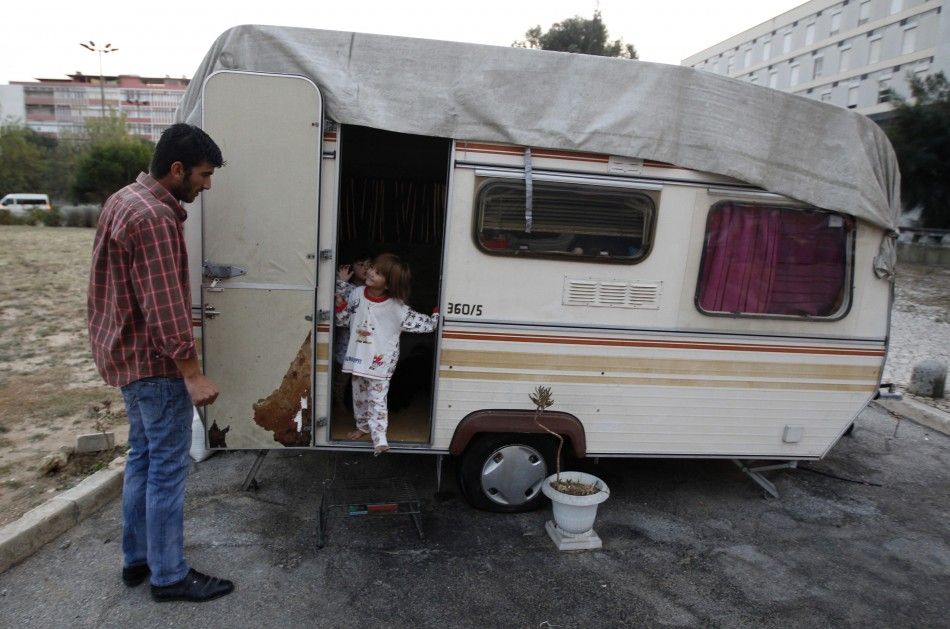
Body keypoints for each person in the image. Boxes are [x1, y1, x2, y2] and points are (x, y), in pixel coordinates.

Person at [87, 123, 234, 603]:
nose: (207, 185)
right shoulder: (153, 217)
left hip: (127, 357)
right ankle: (169, 576)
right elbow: (165, 305)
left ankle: (137, 560)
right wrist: (191, 373)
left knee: (143, 459)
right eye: (204, 175)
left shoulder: (124, 199)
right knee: (167, 467)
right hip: (154, 364)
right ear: (177, 170)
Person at [334, 253, 439, 454]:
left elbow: (427, 325)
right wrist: (340, 301)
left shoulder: (397, 308)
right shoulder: (356, 294)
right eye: (372, 268)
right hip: (358, 358)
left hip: (381, 363)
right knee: (359, 397)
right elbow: (344, 319)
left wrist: (437, 312)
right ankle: (363, 427)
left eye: (378, 272)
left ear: (389, 284)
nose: (371, 272)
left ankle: (380, 438)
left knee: (377, 399)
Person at [333, 251, 373, 407]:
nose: (365, 268)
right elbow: (342, 319)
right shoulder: (346, 287)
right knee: (341, 380)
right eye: (360, 264)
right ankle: (339, 408)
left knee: (363, 381)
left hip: (365, 343)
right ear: (351, 267)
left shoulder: (373, 288)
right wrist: (342, 283)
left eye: (369, 265)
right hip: (346, 343)